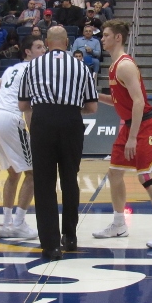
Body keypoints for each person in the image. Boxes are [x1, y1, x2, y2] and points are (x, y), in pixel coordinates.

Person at [95, 20, 152, 248]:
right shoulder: (114, 66)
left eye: (105, 35)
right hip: (131, 124)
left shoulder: (124, 65)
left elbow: (139, 101)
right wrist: (93, 97)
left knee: (146, 178)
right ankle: (119, 224)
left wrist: (132, 137)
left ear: (118, 38)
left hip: (144, 125)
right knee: (114, 173)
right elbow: (118, 102)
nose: (102, 38)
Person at [18, 26, 98, 261]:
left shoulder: (32, 65)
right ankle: (70, 236)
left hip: (42, 121)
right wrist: (71, 108)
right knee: (70, 178)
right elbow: (92, 107)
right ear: (67, 43)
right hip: (71, 121)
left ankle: (51, 246)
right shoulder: (81, 66)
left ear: (47, 42)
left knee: (44, 183)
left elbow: (23, 105)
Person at [0, 36, 46, 240]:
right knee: (34, 174)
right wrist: (35, 135)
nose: (43, 50)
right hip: (9, 118)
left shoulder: (10, 69)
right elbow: (27, 107)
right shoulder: (34, 71)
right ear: (28, 52)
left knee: (13, 173)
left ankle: (6, 223)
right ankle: (19, 223)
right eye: (39, 47)